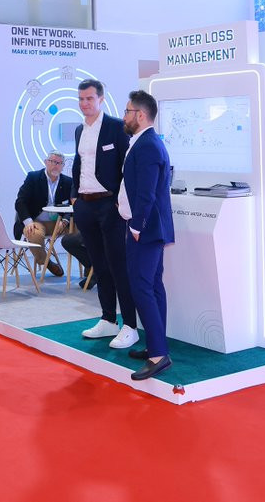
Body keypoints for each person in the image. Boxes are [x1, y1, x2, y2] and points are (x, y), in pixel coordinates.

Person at [71, 79, 138, 350]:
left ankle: (130, 325)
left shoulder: (116, 127)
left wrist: (120, 204)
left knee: (119, 266)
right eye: (81, 99)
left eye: (89, 98)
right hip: (85, 205)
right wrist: (74, 197)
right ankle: (108, 318)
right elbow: (79, 164)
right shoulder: (80, 130)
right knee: (99, 266)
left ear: (101, 99)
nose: (84, 103)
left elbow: (127, 167)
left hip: (110, 205)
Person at [118, 91, 175, 381]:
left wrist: (137, 227)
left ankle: (158, 355)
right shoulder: (145, 142)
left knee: (142, 287)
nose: (124, 117)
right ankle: (156, 345)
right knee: (152, 285)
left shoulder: (148, 145)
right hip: (149, 228)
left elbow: (147, 193)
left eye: (127, 111)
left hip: (146, 229)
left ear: (140, 115)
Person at [13, 151, 85, 280]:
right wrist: (28, 222)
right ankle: (47, 263)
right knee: (32, 234)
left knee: (85, 230)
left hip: (60, 223)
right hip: (37, 222)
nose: (56, 165)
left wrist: (65, 220)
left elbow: (73, 205)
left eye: (59, 163)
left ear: (63, 166)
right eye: (52, 162)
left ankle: (89, 264)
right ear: (46, 162)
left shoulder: (68, 182)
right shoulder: (33, 177)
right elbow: (20, 202)